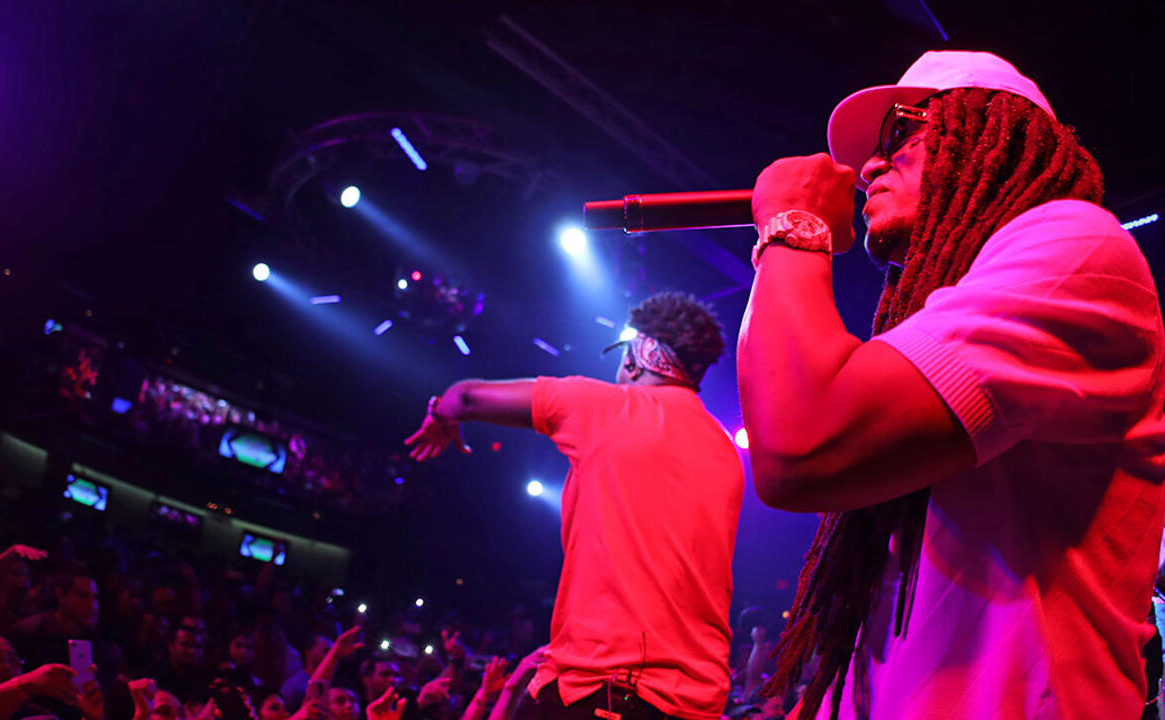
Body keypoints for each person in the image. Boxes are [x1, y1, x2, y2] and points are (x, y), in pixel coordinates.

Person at [738, 50, 1165, 719]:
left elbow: (800, 443)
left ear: (986, 130)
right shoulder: (937, 319)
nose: (869, 166)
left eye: (899, 133)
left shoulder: (1078, 245)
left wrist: (795, 225)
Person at [406, 292, 745, 720]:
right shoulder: (725, 450)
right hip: (697, 702)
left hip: (604, 691)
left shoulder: (607, 407)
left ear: (638, 354)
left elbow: (467, 397)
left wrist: (439, 416)